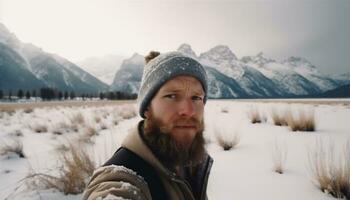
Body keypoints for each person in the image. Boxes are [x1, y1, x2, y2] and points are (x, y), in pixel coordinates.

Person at [83, 51, 213, 200]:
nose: (188, 111)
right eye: (172, 96)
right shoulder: (123, 176)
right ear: (147, 108)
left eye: (196, 97)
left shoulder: (189, 163)